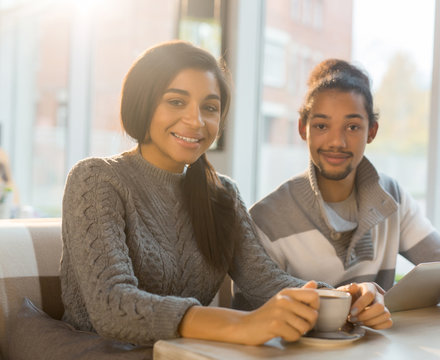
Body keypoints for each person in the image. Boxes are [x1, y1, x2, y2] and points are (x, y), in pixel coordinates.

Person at [60, 41, 390, 353]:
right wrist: (241, 326)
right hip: (96, 352)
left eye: (210, 107)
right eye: (176, 101)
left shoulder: (222, 194)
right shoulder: (96, 179)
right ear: (142, 103)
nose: (196, 120)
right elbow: (112, 306)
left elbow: (266, 281)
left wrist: (344, 298)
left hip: (184, 355)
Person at [248, 59, 440, 310]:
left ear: (372, 131)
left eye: (352, 127)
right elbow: (255, 311)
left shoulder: (392, 196)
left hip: (378, 347)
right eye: (321, 126)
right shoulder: (265, 218)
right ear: (302, 129)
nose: (337, 142)